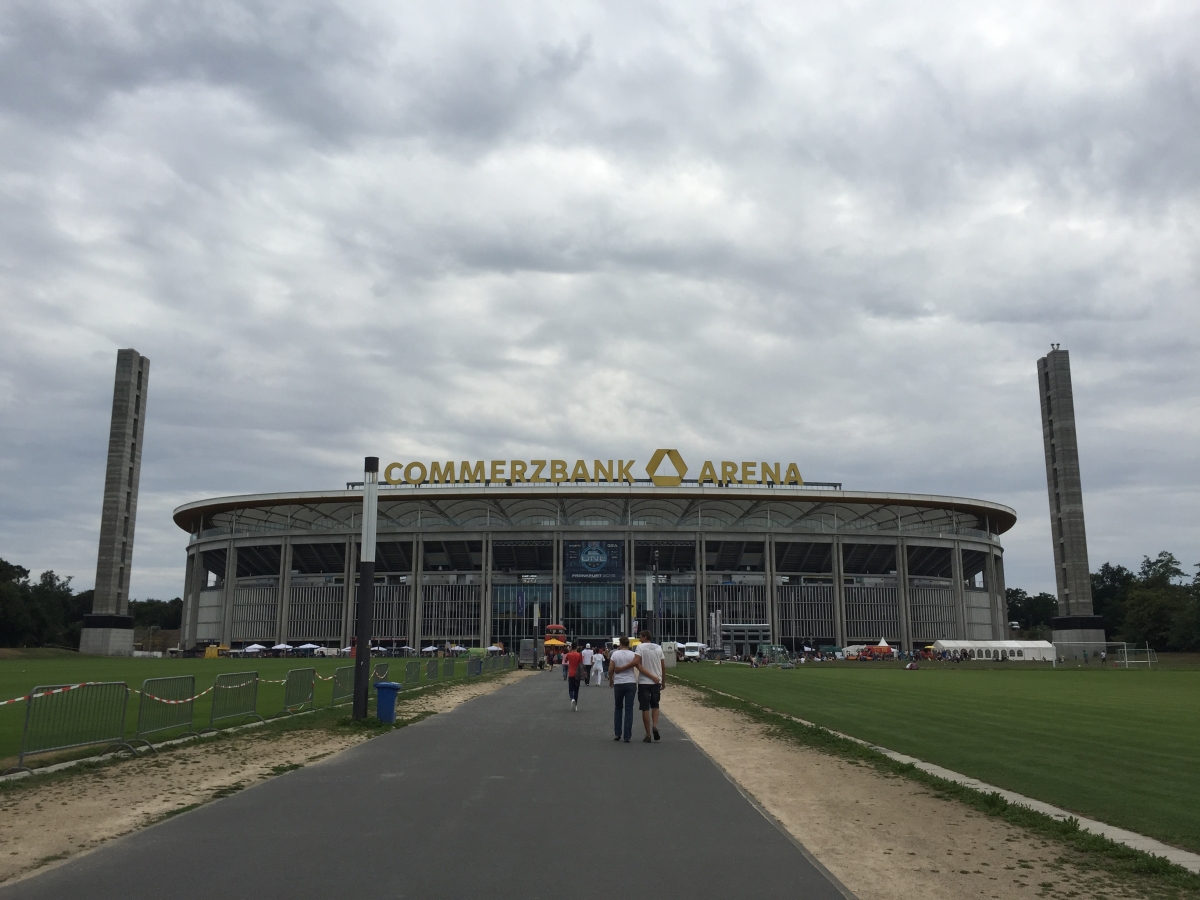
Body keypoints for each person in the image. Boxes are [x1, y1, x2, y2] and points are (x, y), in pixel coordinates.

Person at [634, 630, 666, 743]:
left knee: (644, 707)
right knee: (655, 705)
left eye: (640, 637)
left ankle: (648, 733)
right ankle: (655, 725)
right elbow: (663, 666)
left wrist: (650, 675)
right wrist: (663, 681)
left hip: (644, 681)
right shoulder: (658, 647)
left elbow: (637, 663)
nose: (639, 639)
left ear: (645, 637)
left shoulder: (640, 648)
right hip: (657, 680)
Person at [608, 635, 638, 742]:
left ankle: (617, 733)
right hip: (630, 682)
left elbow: (611, 669)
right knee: (629, 709)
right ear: (628, 644)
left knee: (618, 707)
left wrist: (611, 679)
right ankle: (627, 735)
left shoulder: (615, 654)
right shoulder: (633, 654)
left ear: (620, 644)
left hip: (619, 682)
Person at [565, 642, 584, 710]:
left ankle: (572, 698)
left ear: (571, 647)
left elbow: (565, 660)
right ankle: (575, 705)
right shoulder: (579, 655)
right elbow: (581, 662)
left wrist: (569, 651)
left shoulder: (569, 654)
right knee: (576, 689)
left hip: (571, 673)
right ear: (576, 647)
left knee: (571, 689)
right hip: (577, 674)